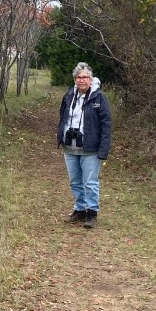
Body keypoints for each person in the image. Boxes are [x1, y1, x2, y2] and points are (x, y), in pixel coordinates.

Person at [56, 62, 112, 229]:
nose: (82, 80)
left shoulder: (98, 97)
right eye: (79, 77)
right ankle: (79, 210)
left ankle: (92, 213)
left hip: (90, 148)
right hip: (70, 147)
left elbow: (106, 124)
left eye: (85, 77)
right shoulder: (69, 95)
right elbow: (63, 117)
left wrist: (103, 149)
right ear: (75, 79)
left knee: (90, 182)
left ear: (90, 79)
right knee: (75, 181)